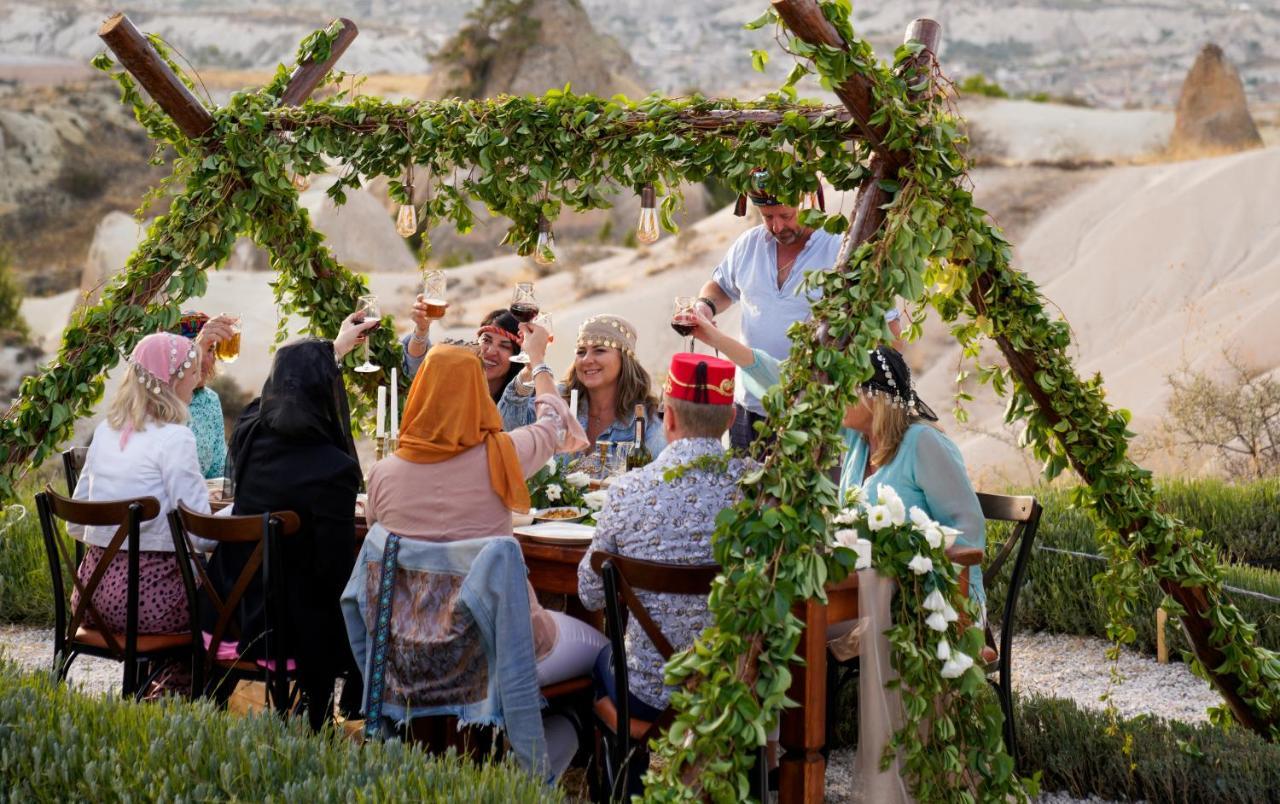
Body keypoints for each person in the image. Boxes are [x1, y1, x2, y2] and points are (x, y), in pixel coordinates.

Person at [360, 339, 604, 776]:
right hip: (496, 651)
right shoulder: (504, 454)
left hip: (410, 654)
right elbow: (553, 420)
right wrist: (540, 360)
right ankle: (544, 756)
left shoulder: (382, 474)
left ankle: (461, 758)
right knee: (604, 650)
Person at [688, 312, 987, 605]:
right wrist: (715, 338)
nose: (837, 396)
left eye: (848, 389)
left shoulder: (923, 442)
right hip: (871, 593)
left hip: (925, 601)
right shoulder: (857, 440)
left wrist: (949, 606)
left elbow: (968, 529)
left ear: (876, 397)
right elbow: (785, 383)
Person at [576, 352, 749, 796]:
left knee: (601, 660)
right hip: (733, 679)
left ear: (667, 418)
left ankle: (626, 790)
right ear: (730, 418)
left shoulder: (629, 490)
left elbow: (590, 594)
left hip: (647, 689)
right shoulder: (759, 492)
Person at [208, 313, 377, 729]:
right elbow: (335, 570)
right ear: (327, 392)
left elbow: (261, 403)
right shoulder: (333, 467)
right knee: (365, 602)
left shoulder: (248, 433)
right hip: (292, 628)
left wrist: (330, 352)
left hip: (228, 611)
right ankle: (335, 716)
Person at [691, 167, 901, 450]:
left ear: (808, 202)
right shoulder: (748, 245)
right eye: (768, 217)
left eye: (786, 215)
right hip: (750, 410)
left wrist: (870, 402)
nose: (777, 226)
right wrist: (705, 306)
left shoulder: (842, 249)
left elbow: (890, 332)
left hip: (817, 415)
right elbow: (719, 287)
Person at [70, 332, 213, 645]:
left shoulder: (106, 431)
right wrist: (235, 513)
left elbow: (76, 523)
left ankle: (152, 688)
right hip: (151, 603)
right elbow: (203, 536)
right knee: (224, 601)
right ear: (172, 382)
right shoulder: (175, 438)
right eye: (193, 374)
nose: (197, 382)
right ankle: (176, 691)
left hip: (91, 597)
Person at [500, 314, 665, 464]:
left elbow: (660, 477)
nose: (587, 360)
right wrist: (529, 369)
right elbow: (511, 423)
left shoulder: (645, 422)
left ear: (624, 360)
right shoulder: (560, 399)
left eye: (599, 351)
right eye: (581, 352)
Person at [401, 306, 526, 404]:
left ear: (517, 355)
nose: (491, 351)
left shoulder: (524, 403)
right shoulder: (455, 379)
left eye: (504, 346)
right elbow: (418, 367)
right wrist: (421, 330)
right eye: (486, 340)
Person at [175, 311, 238, 479]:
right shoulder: (160, 397)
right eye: (193, 349)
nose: (203, 359)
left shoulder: (210, 400)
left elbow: (219, 472)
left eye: (210, 349)